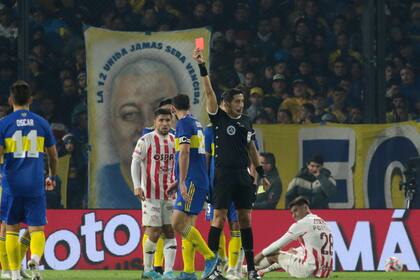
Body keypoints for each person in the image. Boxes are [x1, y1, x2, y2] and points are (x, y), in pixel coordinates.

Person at [193, 49, 270, 280]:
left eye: (242, 101)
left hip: (243, 176)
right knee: (218, 219)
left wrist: (259, 172)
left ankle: (252, 269)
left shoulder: (246, 121)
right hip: (223, 176)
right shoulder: (218, 119)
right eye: (237, 101)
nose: (241, 104)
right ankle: (213, 268)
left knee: (245, 221)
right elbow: (208, 91)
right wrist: (202, 67)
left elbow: (252, 149)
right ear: (226, 103)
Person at [96, 59, 179, 208]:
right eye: (130, 114)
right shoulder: (101, 186)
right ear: (111, 125)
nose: (148, 123)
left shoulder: (193, 172)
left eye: (164, 112)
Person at [0, 81, 58, 280]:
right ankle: (35, 257)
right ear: (31, 100)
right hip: (35, 183)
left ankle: (14, 274)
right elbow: (53, 155)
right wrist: (51, 176)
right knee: (37, 228)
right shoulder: (41, 122)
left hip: (11, 185)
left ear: (10, 100)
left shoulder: (4, 124)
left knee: (11, 229)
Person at [167, 94, 220, 280]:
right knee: (187, 227)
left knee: (177, 223)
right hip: (197, 179)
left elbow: (185, 152)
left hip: (192, 181)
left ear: (173, 109)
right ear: (189, 105)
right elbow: (198, 155)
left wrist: (182, 181)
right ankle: (188, 272)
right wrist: (178, 180)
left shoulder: (182, 124)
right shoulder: (196, 123)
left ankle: (211, 257)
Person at [131, 108, 177, 280]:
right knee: (155, 231)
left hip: (170, 195)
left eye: (167, 120)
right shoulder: (146, 140)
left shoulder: (175, 141)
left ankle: (169, 272)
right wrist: (137, 185)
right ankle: (148, 270)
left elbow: (180, 164)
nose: (165, 123)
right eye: (161, 120)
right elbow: (135, 163)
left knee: (170, 231)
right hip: (150, 194)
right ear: (155, 121)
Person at [254, 196, 334, 278]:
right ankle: (262, 271)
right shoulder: (323, 222)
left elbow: (278, 245)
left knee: (272, 254)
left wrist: (260, 255)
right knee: (292, 252)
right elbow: (316, 246)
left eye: (295, 211)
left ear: (305, 208)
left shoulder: (303, 223)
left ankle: (248, 269)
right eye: (291, 213)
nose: (293, 216)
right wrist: (294, 251)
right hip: (325, 273)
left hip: (309, 271)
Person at [204, 124, 243, 280]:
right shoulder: (210, 130)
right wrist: (207, 183)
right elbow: (206, 157)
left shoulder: (243, 127)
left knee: (236, 224)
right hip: (216, 185)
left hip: (237, 184)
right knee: (216, 224)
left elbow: (253, 153)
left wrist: (253, 180)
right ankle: (221, 261)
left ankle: (233, 269)